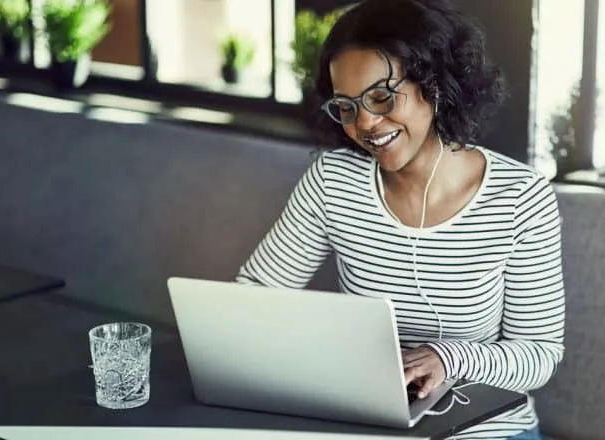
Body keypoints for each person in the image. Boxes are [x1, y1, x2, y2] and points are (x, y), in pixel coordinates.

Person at [235, 0, 565, 438]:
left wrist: (449, 358)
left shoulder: (521, 198)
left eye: (381, 97)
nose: (366, 123)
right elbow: (255, 297)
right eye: (347, 107)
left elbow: (539, 354)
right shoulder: (333, 181)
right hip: (367, 423)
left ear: (435, 84)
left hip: (487, 430)